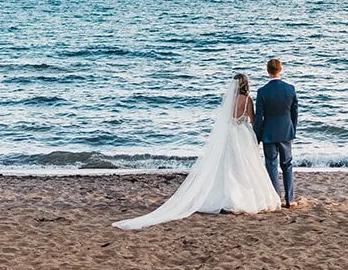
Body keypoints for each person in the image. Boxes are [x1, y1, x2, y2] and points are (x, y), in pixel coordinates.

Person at [113, 72, 280, 229]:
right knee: (245, 166)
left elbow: (226, 119)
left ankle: (226, 196)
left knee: (227, 166)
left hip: (230, 134)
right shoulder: (247, 100)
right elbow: (252, 118)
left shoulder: (230, 100)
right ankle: (243, 197)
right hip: (242, 134)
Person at [253, 57, 298, 207]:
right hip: (286, 131)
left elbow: (259, 117)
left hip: (268, 132)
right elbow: (294, 112)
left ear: (268, 71)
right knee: (287, 164)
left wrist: (257, 136)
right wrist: (293, 131)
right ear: (280, 70)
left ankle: (275, 199)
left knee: (271, 165)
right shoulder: (290, 88)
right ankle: (290, 200)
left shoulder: (262, 91)